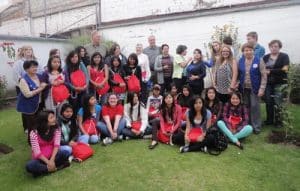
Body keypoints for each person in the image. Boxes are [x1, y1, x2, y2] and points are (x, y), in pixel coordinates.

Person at [25, 110, 70, 177]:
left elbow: (56, 145)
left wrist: (51, 160)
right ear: (44, 121)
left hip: (53, 157)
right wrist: (48, 163)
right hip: (40, 159)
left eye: (54, 116)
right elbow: (37, 152)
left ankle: (44, 170)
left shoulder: (56, 128)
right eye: (51, 118)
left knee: (65, 153)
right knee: (30, 165)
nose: (54, 119)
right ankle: (52, 169)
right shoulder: (34, 133)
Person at [238, 43, 267, 134]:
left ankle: (256, 127)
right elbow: (239, 75)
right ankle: (248, 125)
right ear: (243, 52)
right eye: (246, 50)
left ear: (253, 51)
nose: (248, 52)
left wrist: (262, 89)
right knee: (246, 106)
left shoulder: (259, 60)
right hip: (244, 88)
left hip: (255, 88)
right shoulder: (241, 61)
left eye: (250, 50)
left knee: (255, 107)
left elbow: (264, 75)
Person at [263, 40, 290, 127]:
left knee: (278, 102)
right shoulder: (266, 57)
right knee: (268, 101)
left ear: (279, 47)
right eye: (272, 46)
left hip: (280, 83)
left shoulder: (284, 56)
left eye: (276, 46)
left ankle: (279, 121)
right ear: (269, 47)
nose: (273, 48)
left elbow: (285, 69)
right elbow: (262, 69)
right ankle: (269, 120)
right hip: (268, 83)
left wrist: (270, 71)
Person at [16, 60, 47, 134]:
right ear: (26, 69)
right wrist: (40, 89)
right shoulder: (23, 80)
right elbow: (27, 94)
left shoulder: (39, 76)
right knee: (32, 125)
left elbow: (45, 83)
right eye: (32, 67)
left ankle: (40, 139)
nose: (35, 68)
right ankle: (31, 141)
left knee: (40, 121)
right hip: (28, 105)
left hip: (39, 103)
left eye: (36, 66)